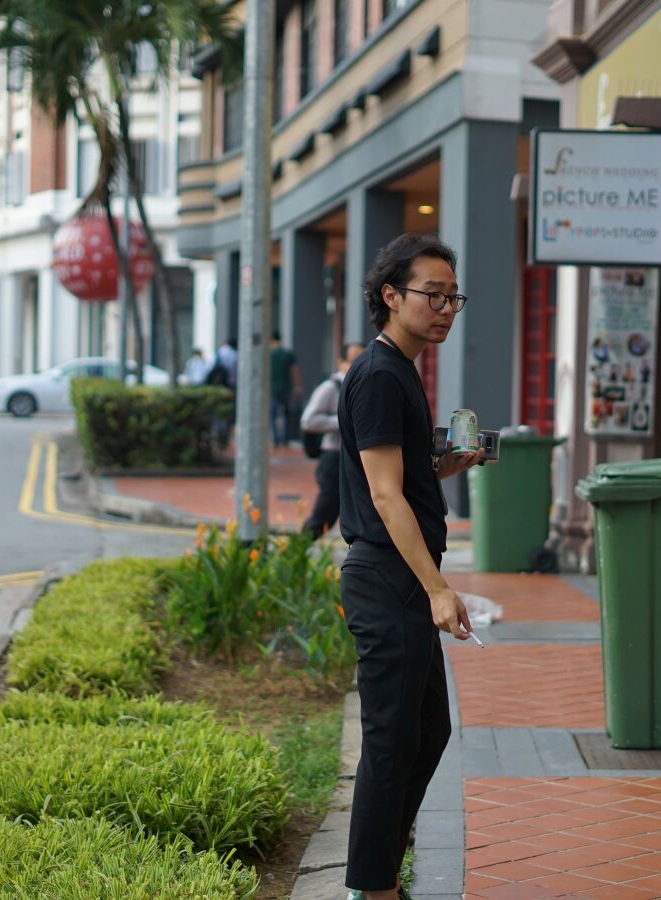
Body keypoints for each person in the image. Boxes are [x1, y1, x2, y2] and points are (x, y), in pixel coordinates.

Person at [337, 233, 482, 900]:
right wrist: (437, 589)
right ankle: (373, 888)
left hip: (399, 577)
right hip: (388, 579)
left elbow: (406, 475)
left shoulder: (402, 371)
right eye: (433, 294)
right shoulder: (378, 374)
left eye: (453, 296)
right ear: (391, 297)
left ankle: (382, 870)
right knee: (393, 741)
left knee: (428, 730)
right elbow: (384, 493)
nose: (446, 307)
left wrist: (454, 461)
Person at [299, 341, 364, 538]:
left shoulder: (362, 384)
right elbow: (308, 421)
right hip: (333, 459)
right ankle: (295, 553)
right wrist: (344, 421)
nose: (357, 365)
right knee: (325, 512)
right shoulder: (330, 387)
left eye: (361, 360)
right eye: (353, 361)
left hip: (356, 459)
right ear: (340, 362)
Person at [270, 331, 301, 447]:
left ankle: (276, 440)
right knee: (286, 413)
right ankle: (286, 439)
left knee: (273, 415)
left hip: (272, 388)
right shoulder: (287, 354)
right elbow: (294, 371)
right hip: (286, 388)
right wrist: (298, 385)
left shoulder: (268, 354)